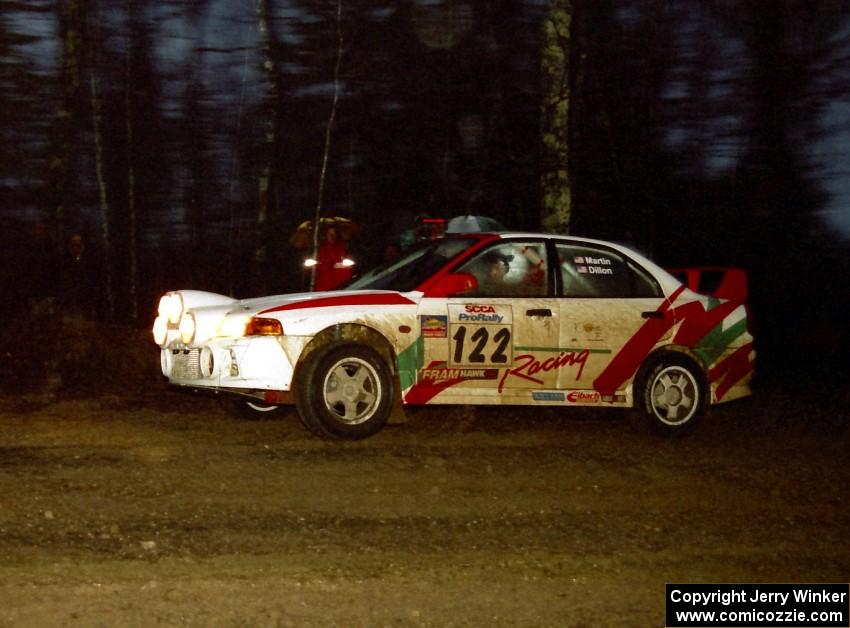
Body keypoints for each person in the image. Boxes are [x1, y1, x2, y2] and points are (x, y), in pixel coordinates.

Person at [314, 226, 353, 291]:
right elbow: (320, 267)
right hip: (326, 284)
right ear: (326, 235)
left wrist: (343, 265)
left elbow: (350, 264)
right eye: (329, 233)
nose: (331, 236)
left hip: (342, 282)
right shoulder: (322, 249)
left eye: (334, 233)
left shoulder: (344, 247)